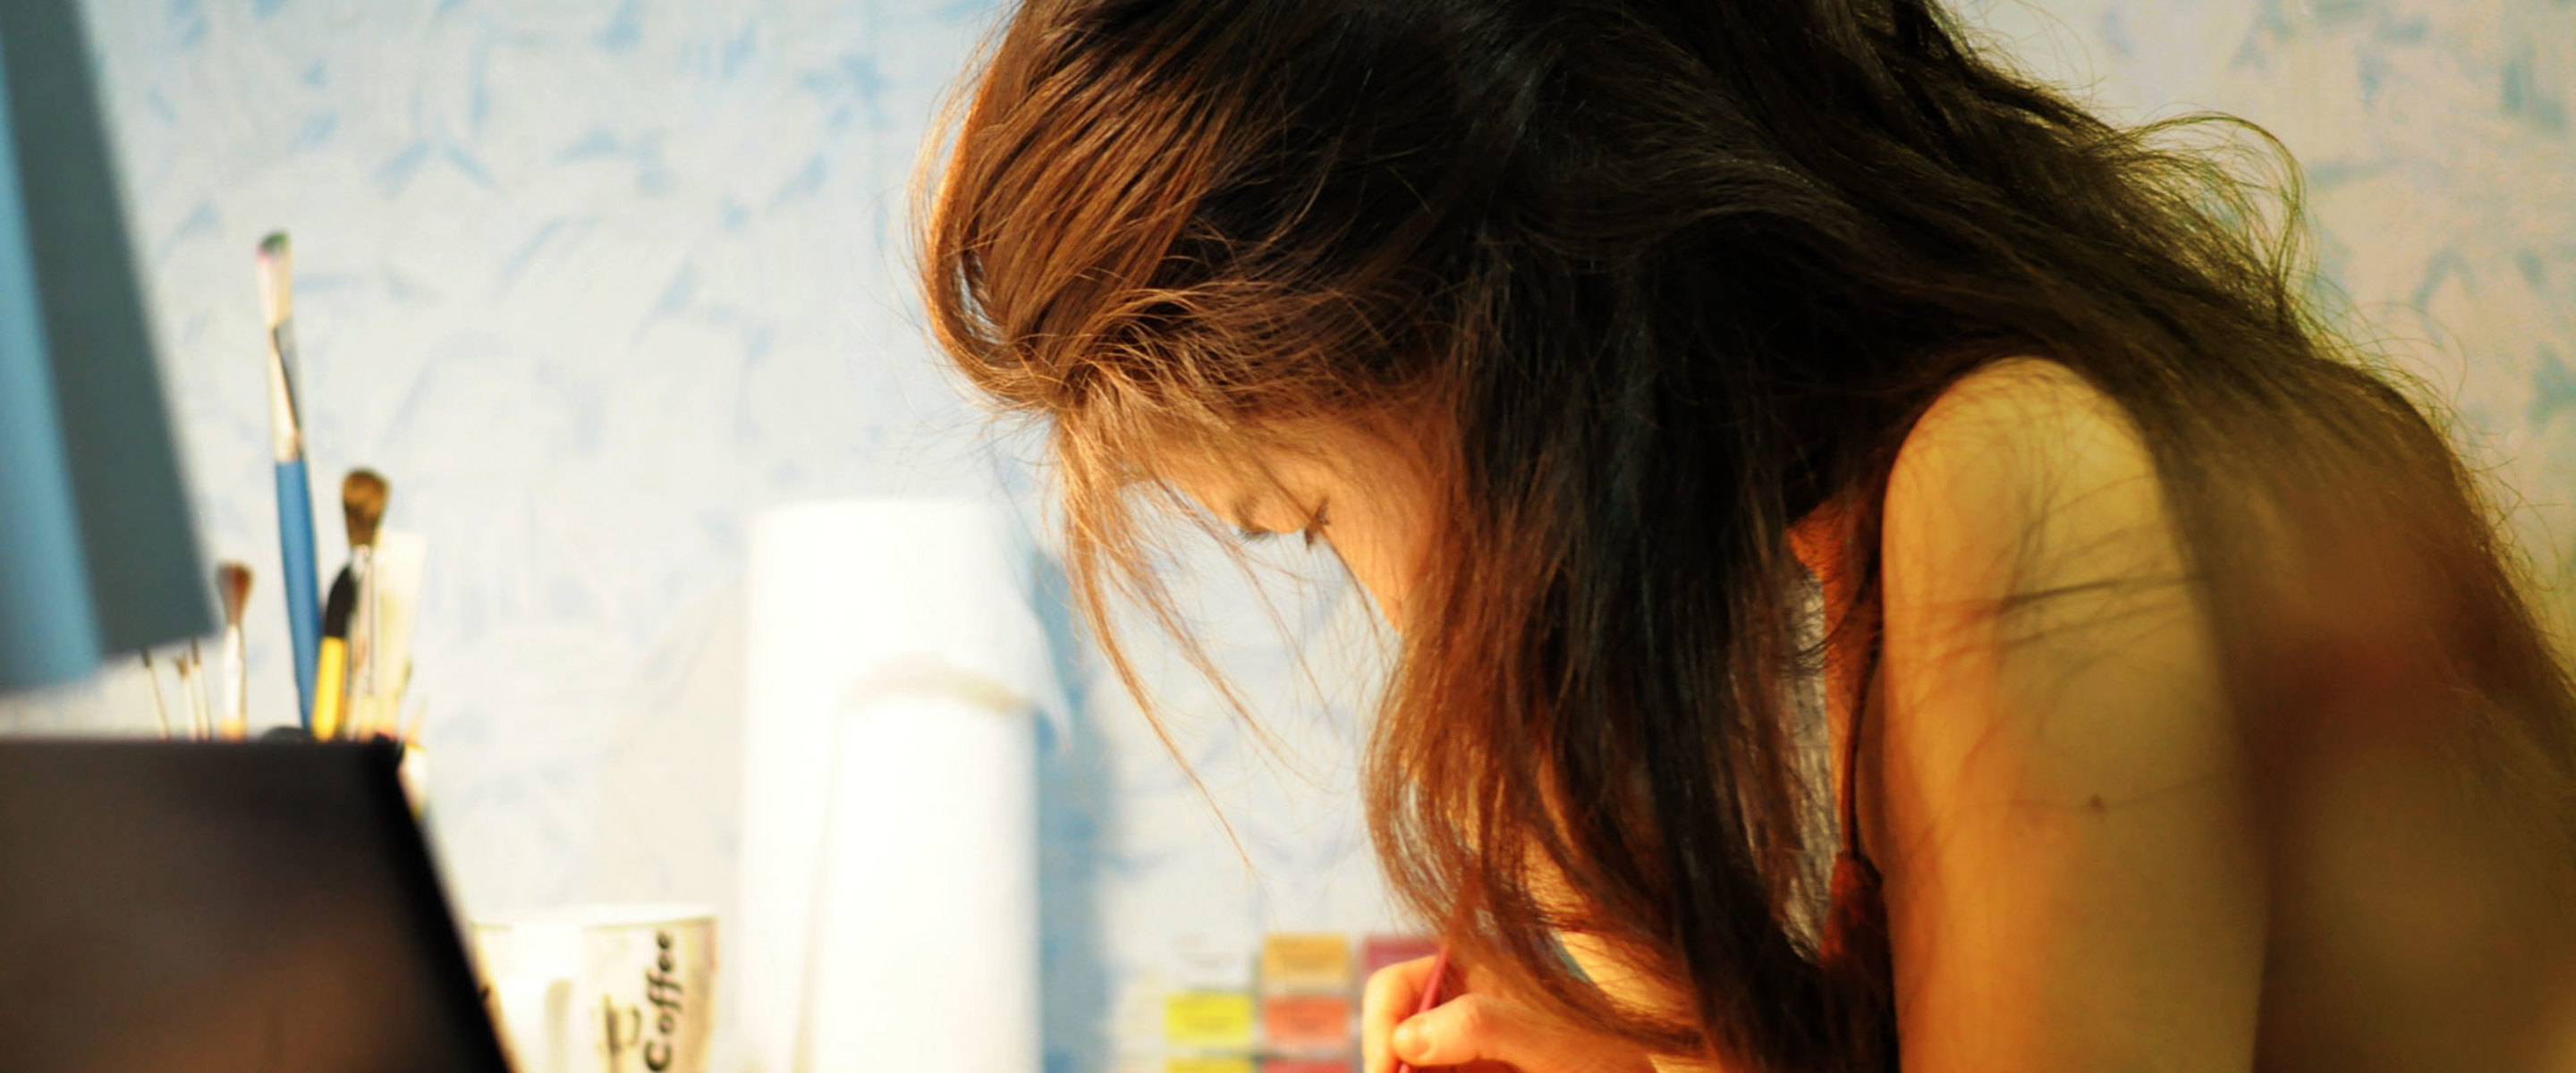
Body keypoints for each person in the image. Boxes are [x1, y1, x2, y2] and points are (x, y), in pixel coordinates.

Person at [919, 1, 2576, 1069]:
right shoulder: (1935, 492)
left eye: (1306, 520)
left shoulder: (2014, 480)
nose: (1403, 620)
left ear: (1487, 340)